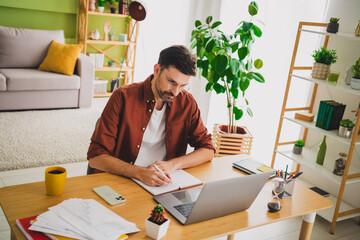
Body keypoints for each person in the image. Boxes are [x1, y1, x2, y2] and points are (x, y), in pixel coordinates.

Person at [87, 45, 215, 187]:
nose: (176, 92)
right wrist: (139, 172)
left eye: (183, 86)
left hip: (164, 182)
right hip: (124, 179)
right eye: (171, 82)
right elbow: (96, 158)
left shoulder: (187, 102)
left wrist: (173, 164)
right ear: (156, 70)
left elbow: (208, 149)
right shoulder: (123, 97)